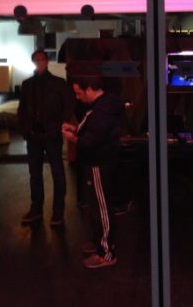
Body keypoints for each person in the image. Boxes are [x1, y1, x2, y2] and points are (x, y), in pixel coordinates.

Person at [62, 76, 124, 269]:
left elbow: (91, 141)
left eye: (79, 93)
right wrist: (75, 129)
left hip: (99, 164)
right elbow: (93, 132)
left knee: (102, 208)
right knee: (98, 207)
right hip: (98, 163)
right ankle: (99, 242)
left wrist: (72, 138)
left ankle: (106, 253)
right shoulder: (101, 106)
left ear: (89, 89)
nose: (78, 97)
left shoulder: (101, 111)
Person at [18, 49, 73, 226]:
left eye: (42, 59)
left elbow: (68, 105)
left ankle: (58, 213)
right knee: (35, 174)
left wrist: (60, 125)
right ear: (33, 62)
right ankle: (36, 209)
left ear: (47, 61)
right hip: (33, 135)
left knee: (58, 173)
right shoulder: (27, 84)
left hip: (52, 135)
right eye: (36, 60)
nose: (39, 62)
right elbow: (22, 109)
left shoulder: (59, 83)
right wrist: (25, 130)